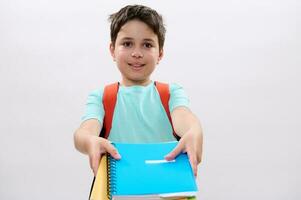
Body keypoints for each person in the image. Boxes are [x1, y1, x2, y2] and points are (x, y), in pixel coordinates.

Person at [74, 4, 203, 177]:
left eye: (147, 45)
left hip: (168, 189)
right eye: (127, 43)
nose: (136, 53)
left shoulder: (171, 93)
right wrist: (89, 141)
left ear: (160, 54)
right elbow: (83, 132)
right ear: (112, 50)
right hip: (120, 190)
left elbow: (185, 118)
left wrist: (194, 131)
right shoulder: (102, 97)